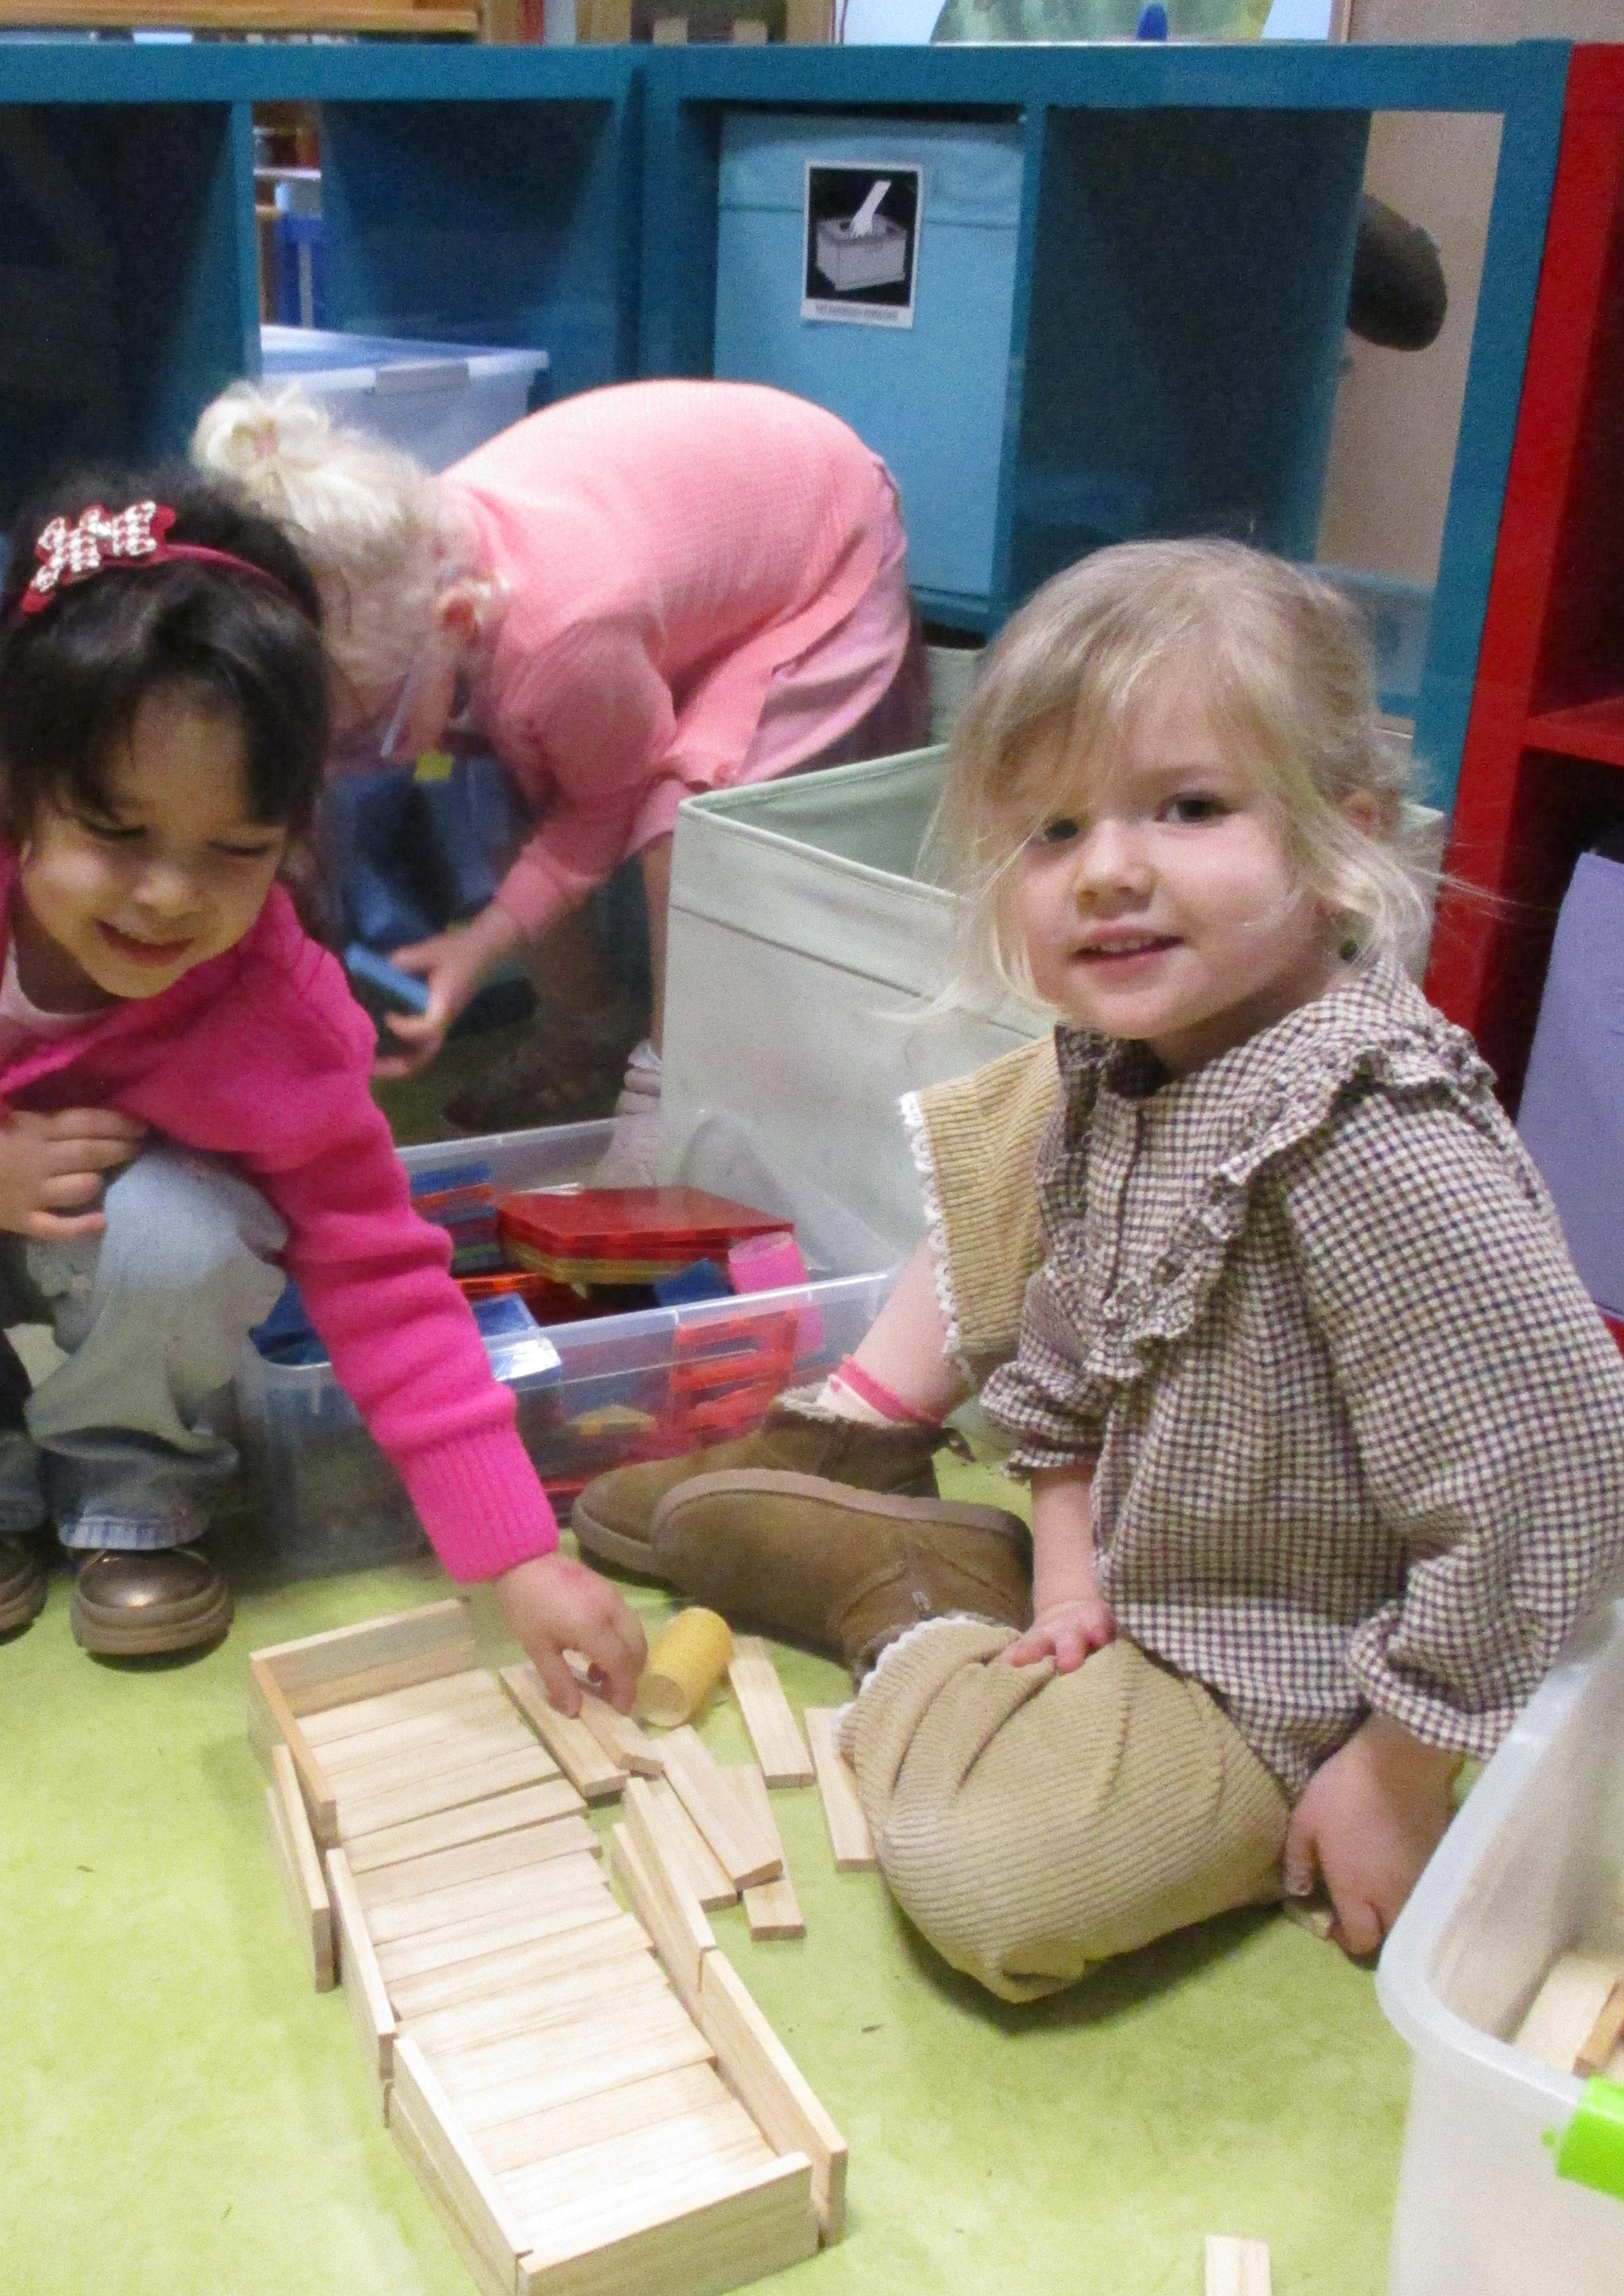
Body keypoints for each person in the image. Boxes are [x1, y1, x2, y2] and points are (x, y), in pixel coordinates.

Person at [573, 539, 1624, 1999]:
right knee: (1004, 1845)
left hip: (1308, 1672)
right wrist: (1070, 1574)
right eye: (1054, 831)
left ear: (1342, 840)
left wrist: (1400, 1760)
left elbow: (1556, 1476)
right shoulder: (1122, 1064)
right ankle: (956, 1577)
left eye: (1190, 806)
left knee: (999, 1885)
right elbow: (1062, 1359)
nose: (1112, 870)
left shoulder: (1370, 1135)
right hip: (1154, 1594)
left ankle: (907, 1604)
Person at [0, 472, 643, 1708]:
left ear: (290, 835)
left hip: (116, 1260)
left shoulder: (275, 1000)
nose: (168, 896)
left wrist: (518, 1554)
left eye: (236, 850)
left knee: (183, 1234)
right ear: (14, 778)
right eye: (115, 833)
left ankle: (133, 1485)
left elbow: (380, 1269)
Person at [193, 376, 923, 1155]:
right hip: (686, 550)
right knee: (493, 780)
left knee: (682, 825)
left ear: (457, 620)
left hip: (825, 543)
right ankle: (587, 1025)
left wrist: (482, 943)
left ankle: (674, 1088)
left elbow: (609, 806)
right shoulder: (392, 565)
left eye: (372, 732)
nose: (360, 762)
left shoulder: (561, 645)